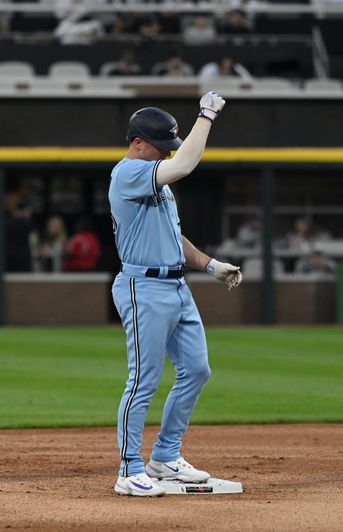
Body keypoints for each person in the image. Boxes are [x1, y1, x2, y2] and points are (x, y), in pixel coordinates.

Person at [109, 94, 242, 497]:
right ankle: (129, 468)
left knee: (198, 369)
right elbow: (184, 164)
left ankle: (165, 457)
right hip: (142, 286)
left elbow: (172, 235)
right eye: (160, 146)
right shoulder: (127, 171)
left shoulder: (155, 181)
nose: (166, 153)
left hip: (176, 286)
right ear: (137, 142)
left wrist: (209, 264)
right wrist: (206, 116)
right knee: (143, 379)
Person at [5, 202, 37, 272]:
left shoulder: (6, 224)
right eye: (29, 211)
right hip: (23, 260)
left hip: (8, 261)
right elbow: (34, 243)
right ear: (24, 211)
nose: (30, 214)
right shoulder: (29, 225)